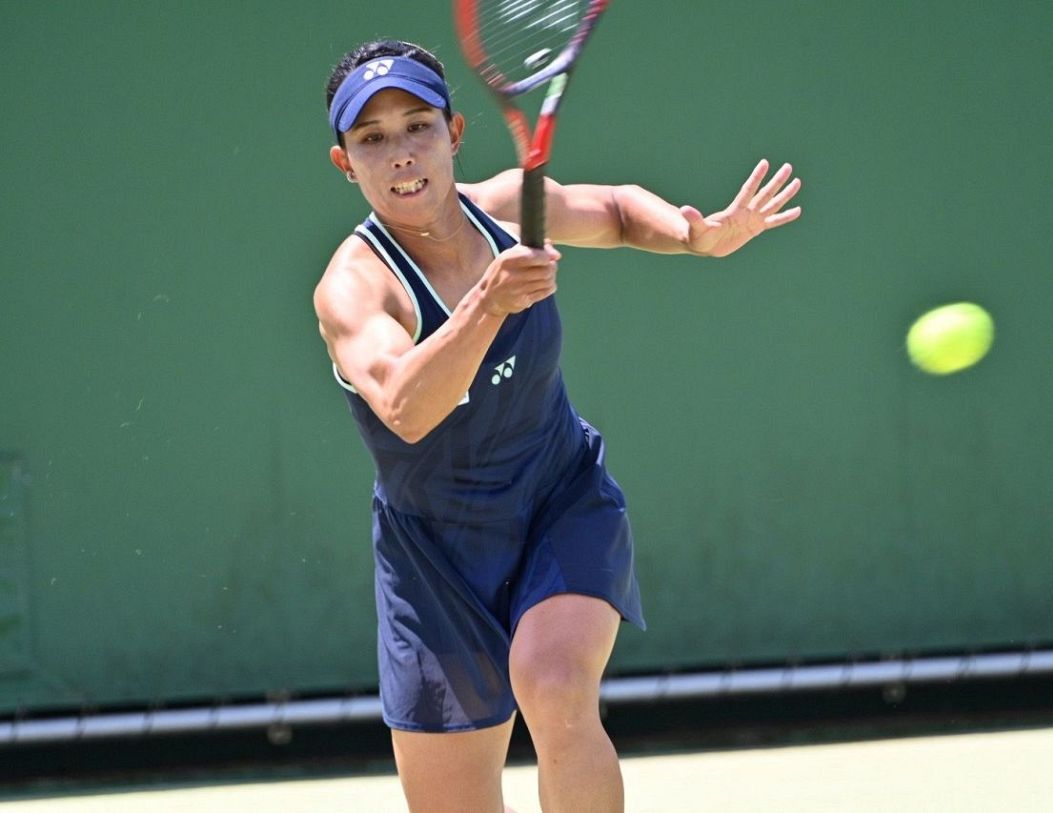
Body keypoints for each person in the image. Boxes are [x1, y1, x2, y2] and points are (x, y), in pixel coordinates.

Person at [313, 39, 802, 813]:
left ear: (455, 133)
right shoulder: (354, 287)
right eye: (372, 139)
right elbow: (407, 407)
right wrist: (489, 302)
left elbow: (610, 210)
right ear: (345, 162)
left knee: (554, 684)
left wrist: (693, 233)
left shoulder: (509, 207)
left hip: (557, 502)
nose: (401, 153)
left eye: (418, 126)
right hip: (431, 559)